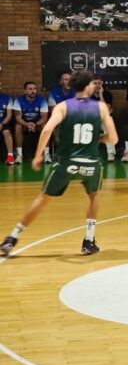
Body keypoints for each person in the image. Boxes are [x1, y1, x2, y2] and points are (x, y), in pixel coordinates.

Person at [1, 70, 118, 257]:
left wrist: (39, 155)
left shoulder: (63, 106)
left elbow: (46, 130)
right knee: (93, 196)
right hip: (91, 162)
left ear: (72, 86)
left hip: (66, 161)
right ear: (88, 86)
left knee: (43, 198)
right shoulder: (101, 108)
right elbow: (113, 139)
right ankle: (89, 240)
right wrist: (98, 138)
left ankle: (12, 237)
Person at [12, 82, 49, 165]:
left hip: (38, 123)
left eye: (34, 89)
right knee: (17, 126)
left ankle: (46, 154)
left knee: (46, 126)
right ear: (25, 91)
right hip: (25, 123)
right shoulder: (18, 100)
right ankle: (19, 155)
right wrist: (27, 124)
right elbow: (18, 117)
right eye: (30, 89)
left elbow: (44, 117)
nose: (33, 91)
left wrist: (35, 124)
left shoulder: (42, 100)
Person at [45, 71, 75, 163]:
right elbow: (54, 112)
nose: (69, 82)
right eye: (66, 79)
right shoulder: (53, 93)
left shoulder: (76, 93)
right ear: (60, 82)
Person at [91, 74, 117, 162]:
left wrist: (101, 95)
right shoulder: (88, 95)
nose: (98, 85)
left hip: (104, 119)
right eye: (95, 83)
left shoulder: (107, 94)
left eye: (99, 83)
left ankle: (111, 153)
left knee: (107, 124)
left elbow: (107, 110)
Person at [0, 81, 14, 165]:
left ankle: (10, 157)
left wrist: (2, 124)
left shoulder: (7, 98)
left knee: (6, 132)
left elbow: (9, 115)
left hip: (3, 122)